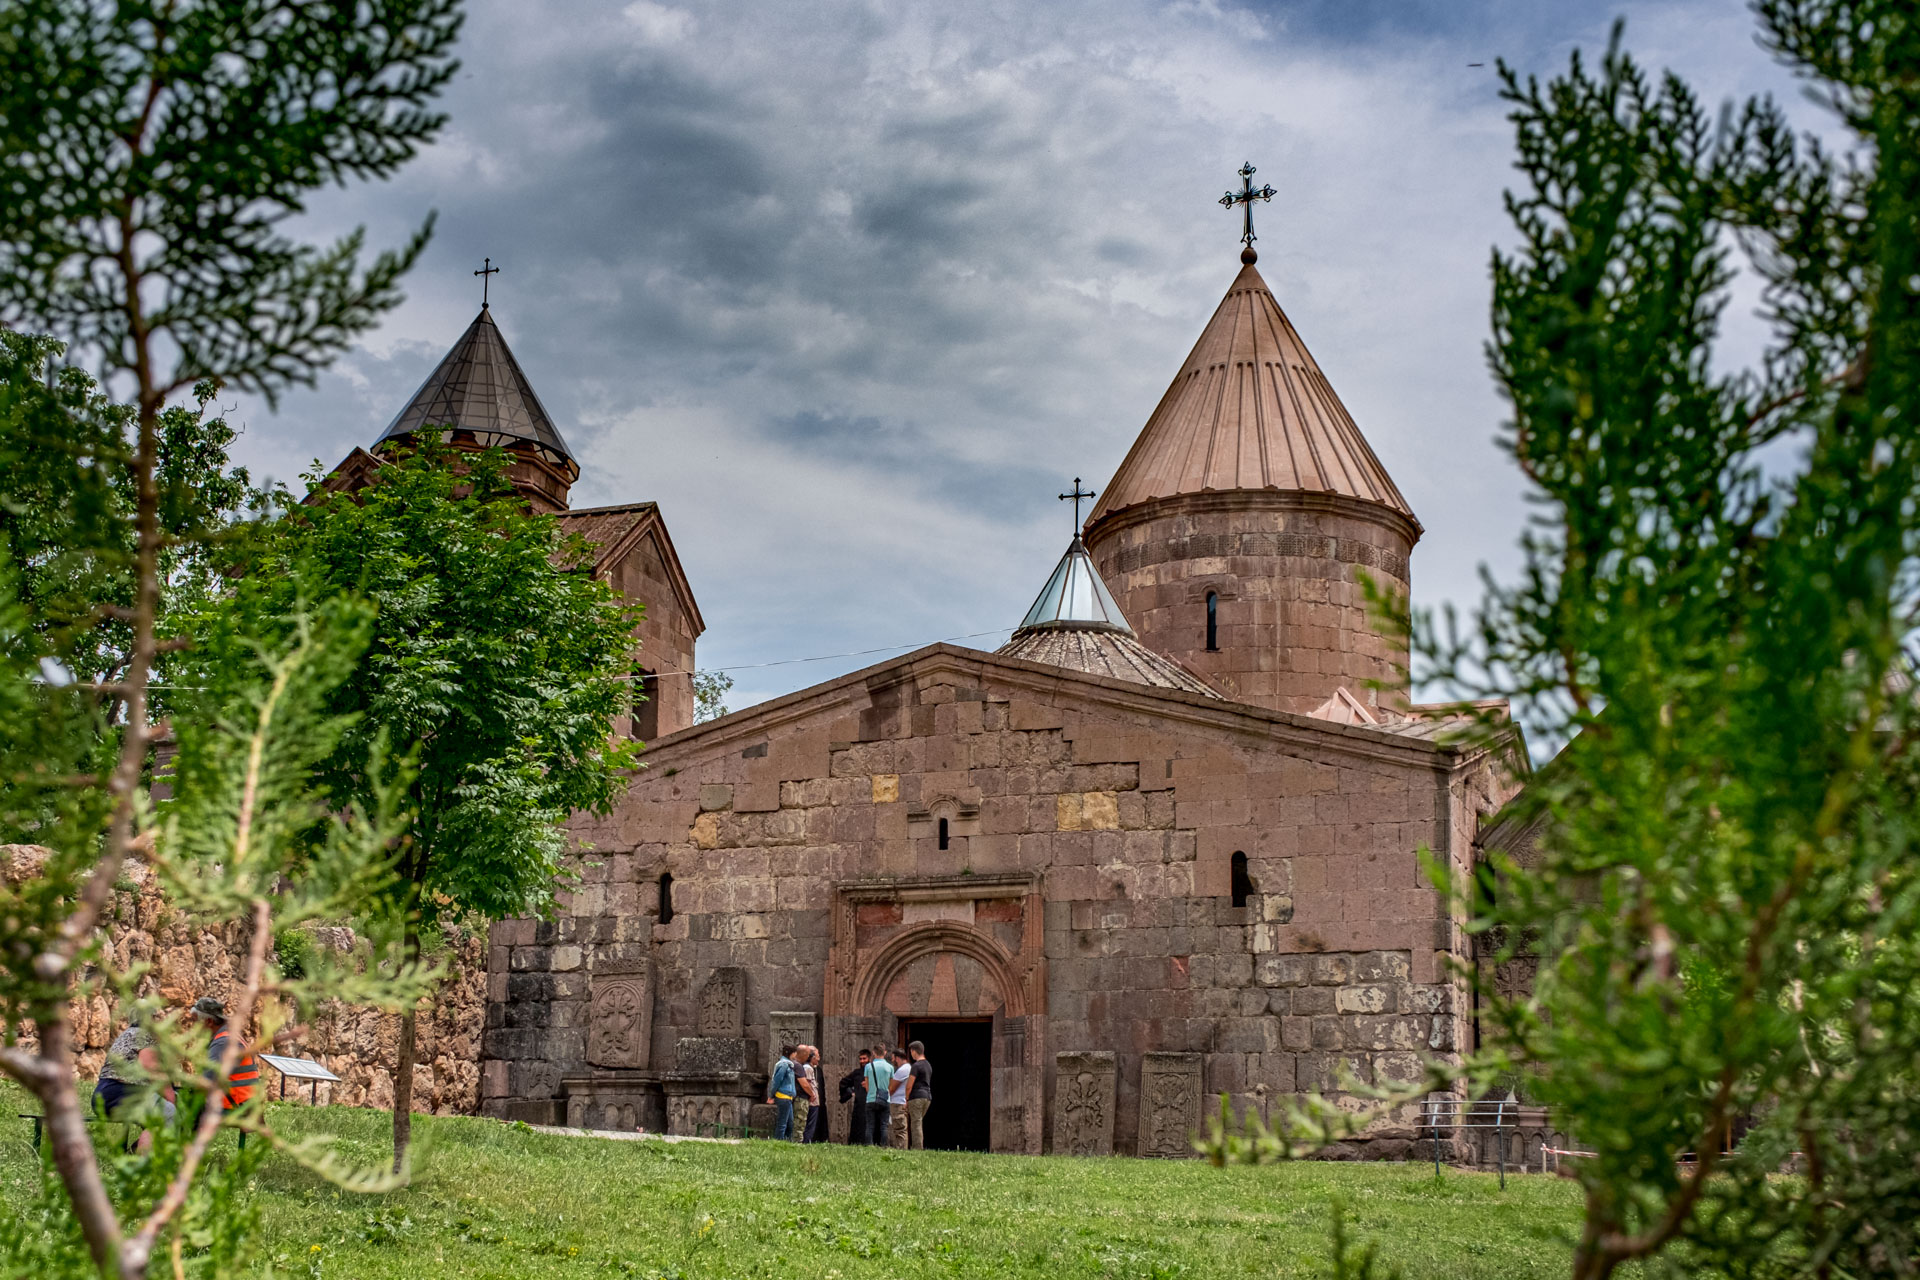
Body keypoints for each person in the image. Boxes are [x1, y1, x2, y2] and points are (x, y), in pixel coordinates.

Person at [92, 1012, 175, 1152]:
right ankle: (140, 1166)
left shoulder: (127, 1034)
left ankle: (133, 1156)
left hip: (103, 1097)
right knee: (168, 1114)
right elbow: (151, 1069)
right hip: (121, 1094)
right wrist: (171, 1098)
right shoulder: (144, 1035)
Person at [195, 996, 259, 1112]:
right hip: (244, 1103)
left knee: (176, 1109)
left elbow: (206, 1080)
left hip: (233, 1105)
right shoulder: (228, 1036)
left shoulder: (223, 1042)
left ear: (209, 1022)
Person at [838, 1050, 871, 1145]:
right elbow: (843, 1083)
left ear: (869, 1059)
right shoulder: (857, 1073)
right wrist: (851, 1093)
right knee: (859, 1125)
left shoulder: (874, 1071)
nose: (862, 1061)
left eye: (864, 1058)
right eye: (860, 1059)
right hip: (860, 1104)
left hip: (872, 1102)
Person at [906, 1040, 933, 1151]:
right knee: (918, 1121)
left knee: (916, 1123)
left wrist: (906, 1099)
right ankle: (918, 1147)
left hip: (916, 1096)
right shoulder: (928, 1065)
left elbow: (909, 1085)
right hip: (927, 1097)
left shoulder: (916, 1066)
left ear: (913, 1051)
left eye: (911, 1051)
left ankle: (917, 1149)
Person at [863, 1043, 891, 1147]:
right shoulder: (890, 1067)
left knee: (870, 1125)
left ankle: (869, 1145)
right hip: (885, 1098)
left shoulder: (868, 1067)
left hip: (871, 1098)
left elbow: (867, 1084)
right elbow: (891, 1085)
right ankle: (884, 1145)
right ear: (885, 1052)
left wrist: (871, 1092)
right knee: (884, 1125)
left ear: (874, 1053)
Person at [768, 1044, 798, 1140]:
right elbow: (777, 1081)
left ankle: (787, 1141)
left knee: (790, 1123)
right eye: (795, 1053)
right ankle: (778, 1141)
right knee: (782, 1123)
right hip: (783, 1096)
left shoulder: (789, 1064)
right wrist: (771, 1095)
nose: (796, 1055)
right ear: (791, 1053)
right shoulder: (784, 1064)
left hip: (788, 1097)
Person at [798, 1045, 824, 1143]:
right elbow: (807, 1084)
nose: (819, 1058)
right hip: (811, 1102)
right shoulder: (807, 1068)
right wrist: (812, 1095)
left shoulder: (810, 1068)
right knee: (809, 1124)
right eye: (817, 1056)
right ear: (812, 1057)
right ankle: (806, 1141)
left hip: (812, 1101)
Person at [887, 1047, 912, 1149]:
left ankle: (901, 1150)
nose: (892, 1061)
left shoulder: (903, 1069)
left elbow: (892, 1088)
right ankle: (900, 1148)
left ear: (898, 1058)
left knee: (900, 1129)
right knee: (899, 1128)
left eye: (893, 1058)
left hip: (898, 1102)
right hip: (900, 1102)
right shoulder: (908, 1068)